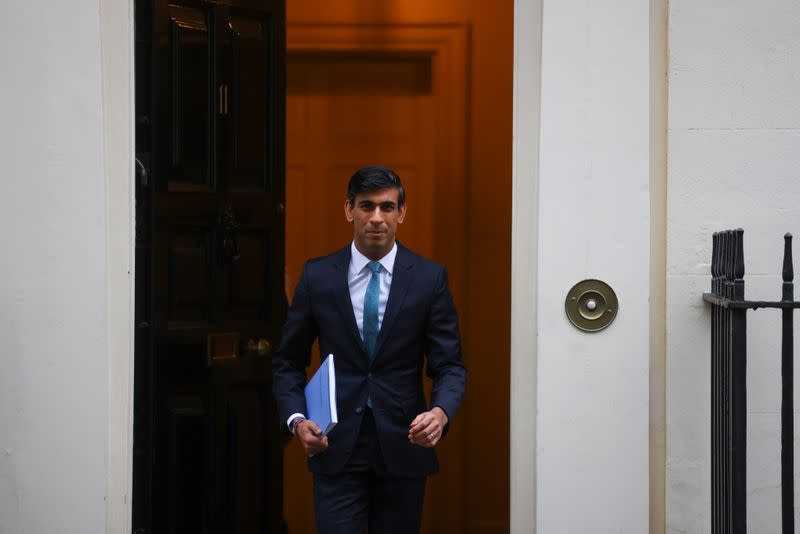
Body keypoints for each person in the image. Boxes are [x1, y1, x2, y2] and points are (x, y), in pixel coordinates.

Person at [272, 166, 467, 533]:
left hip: (404, 444)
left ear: (402, 213)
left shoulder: (428, 278)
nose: (377, 218)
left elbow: (450, 365)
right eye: (367, 206)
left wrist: (440, 414)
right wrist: (297, 421)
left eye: (387, 207)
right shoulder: (318, 276)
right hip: (335, 446)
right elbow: (287, 361)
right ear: (349, 210)